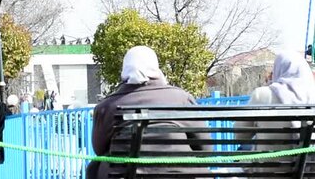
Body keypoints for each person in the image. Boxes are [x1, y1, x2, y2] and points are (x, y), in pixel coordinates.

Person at [86, 46, 211, 179]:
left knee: (94, 166)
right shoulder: (182, 99)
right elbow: (205, 149)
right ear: (156, 68)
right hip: (182, 175)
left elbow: (99, 150)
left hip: (125, 175)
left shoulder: (107, 106)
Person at [235, 52, 315, 171]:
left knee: (243, 151)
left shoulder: (262, 95)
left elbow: (239, 136)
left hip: (266, 174)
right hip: (308, 172)